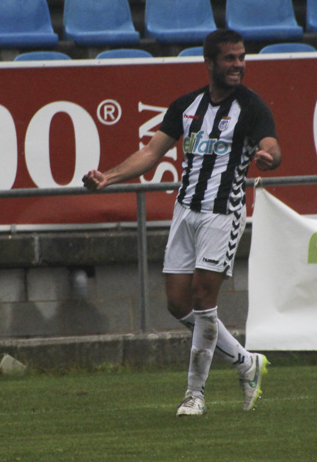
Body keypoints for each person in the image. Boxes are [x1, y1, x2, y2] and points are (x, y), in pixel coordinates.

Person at [83, 29, 282, 417]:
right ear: (209, 62)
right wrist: (109, 177)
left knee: (204, 303)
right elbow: (151, 152)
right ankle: (246, 363)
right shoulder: (186, 106)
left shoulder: (252, 107)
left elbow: (272, 145)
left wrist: (269, 156)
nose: (238, 65)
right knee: (178, 305)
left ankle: (195, 394)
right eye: (230, 59)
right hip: (185, 210)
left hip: (222, 214)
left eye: (242, 58)